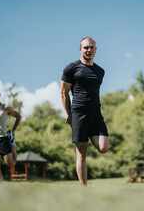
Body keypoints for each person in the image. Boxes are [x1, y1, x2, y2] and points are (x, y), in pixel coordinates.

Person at [61, 37, 109, 186]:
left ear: (95, 50)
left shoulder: (100, 71)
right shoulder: (71, 68)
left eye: (91, 48)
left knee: (103, 147)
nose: (89, 50)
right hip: (78, 113)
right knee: (82, 153)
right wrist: (69, 114)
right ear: (80, 49)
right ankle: (84, 188)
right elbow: (64, 93)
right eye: (86, 48)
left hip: (96, 114)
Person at [0, 89, 22, 182]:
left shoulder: (6, 108)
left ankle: (12, 143)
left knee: (11, 163)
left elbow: (19, 116)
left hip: (2, 139)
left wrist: (13, 130)